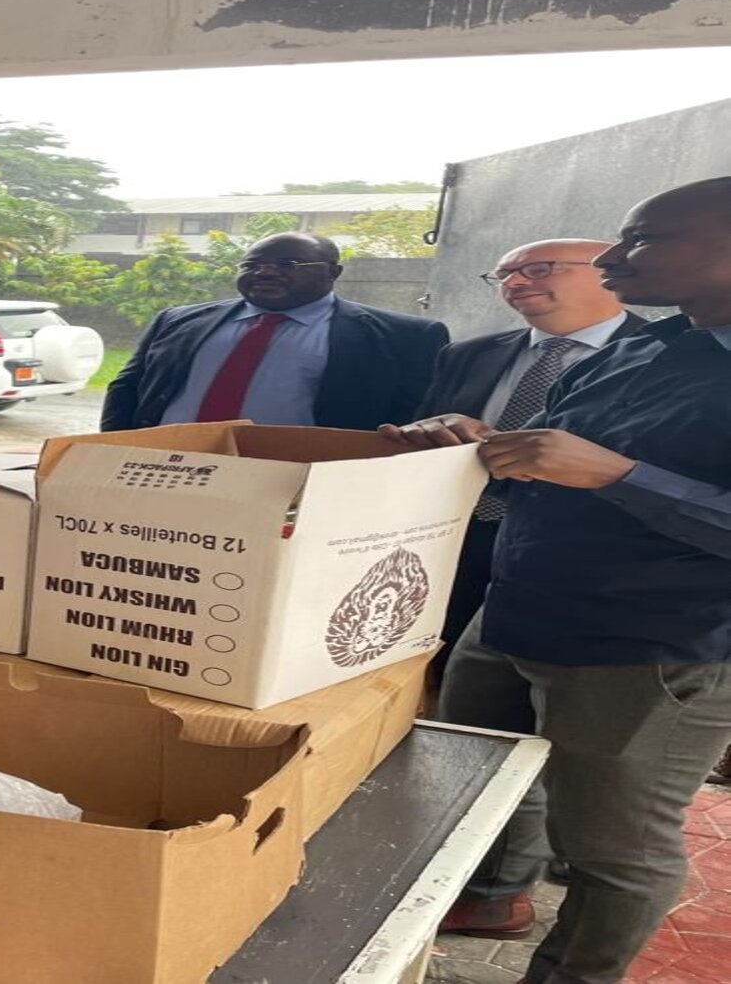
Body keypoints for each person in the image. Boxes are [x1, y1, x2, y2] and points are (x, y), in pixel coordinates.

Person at [381, 178, 731, 984]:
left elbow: (605, 473)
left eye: (644, 238)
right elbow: (550, 468)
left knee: (611, 850)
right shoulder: (645, 345)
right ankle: (493, 893)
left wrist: (619, 475)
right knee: (470, 787)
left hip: (651, 647)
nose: (612, 258)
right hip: (514, 612)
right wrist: (476, 447)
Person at [417, 239, 647, 679]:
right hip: (457, 533)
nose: (515, 282)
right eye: (503, 274)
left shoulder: (667, 356)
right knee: (441, 671)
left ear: (608, 270)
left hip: (576, 558)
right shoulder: (469, 353)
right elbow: (423, 432)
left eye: (539, 269)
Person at [101, 232, 448, 431]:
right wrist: (111, 453)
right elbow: (126, 388)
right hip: (167, 472)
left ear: (333, 272)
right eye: (252, 264)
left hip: (302, 487)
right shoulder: (177, 320)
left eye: (288, 265)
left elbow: (413, 419)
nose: (265, 272)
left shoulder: (406, 338)